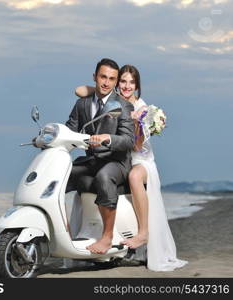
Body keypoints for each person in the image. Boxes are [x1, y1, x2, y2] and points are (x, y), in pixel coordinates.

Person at [75, 64, 187, 271]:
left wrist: (137, 121)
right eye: (123, 81)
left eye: (131, 82)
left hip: (141, 160)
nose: (127, 86)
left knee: (135, 176)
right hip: (120, 158)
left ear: (137, 86)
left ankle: (143, 232)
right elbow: (79, 91)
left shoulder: (144, 108)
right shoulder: (113, 99)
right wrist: (99, 88)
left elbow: (136, 146)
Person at [65, 58, 135, 254]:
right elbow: (70, 129)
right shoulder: (82, 104)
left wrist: (108, 139)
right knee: (61, 174)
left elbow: (128, 141)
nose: (106, 82)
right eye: (103, 77)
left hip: (117, 162)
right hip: (92, 160)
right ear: (94, 77)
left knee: (104, 176)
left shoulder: (123, 106)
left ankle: (107, 237)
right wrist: (51, 137)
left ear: (115, 82)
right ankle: (63, 232)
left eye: (112, 79)